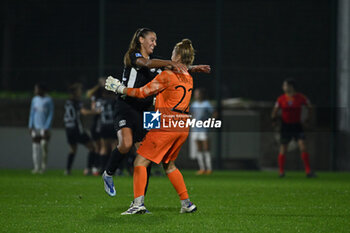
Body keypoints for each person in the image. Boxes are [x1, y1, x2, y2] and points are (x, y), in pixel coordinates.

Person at [102, 28, 210, 197]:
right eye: (152, 39)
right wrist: (171, 62)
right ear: (141, 40)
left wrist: (194, 68)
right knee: (125, 144)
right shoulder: (133, 55)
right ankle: (108, 174)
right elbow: (147, 64)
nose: (155, 43)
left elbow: (174, 73)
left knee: (146, 156)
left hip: (145, 109)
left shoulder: (156, 64)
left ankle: (139, 201)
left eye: (155, 40)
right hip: (126, 106)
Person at [271, 79, 316, 178]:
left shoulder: (300, 97)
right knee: (283, 148)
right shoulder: (281, 98)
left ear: (291, 87)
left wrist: (308, 119)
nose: (284, 87)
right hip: (286, 126)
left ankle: (308, 171)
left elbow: (310, 107)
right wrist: (274, 120)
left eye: (285, 85)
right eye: (284, 86)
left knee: (303, 146)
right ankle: (281, 172)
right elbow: (275, 110)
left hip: (297, 126)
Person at [63, 83, 100, 175]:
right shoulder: (77, 102)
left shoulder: (67, 102)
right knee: (93, 147)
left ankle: (67, 170)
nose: (81, 92)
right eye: (79, 90)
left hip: (68, 128)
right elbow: (84, 112)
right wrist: (96, 112)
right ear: (75, 92)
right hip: (77, 129)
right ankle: (88, 169)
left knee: (73, 149)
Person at [28, 83, 54, 174]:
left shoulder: (48, 100)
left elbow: (50, 114)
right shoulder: (34, 100)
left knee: (44, 146)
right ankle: (36, 167)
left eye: (37, 89)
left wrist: (47, 127)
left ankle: (43, 168)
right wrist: (30, 125)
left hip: (44, 128)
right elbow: (32, 113)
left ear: (42, 90)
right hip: (35, 127)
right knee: (35, 147)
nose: (35, 91)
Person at [190, 88, 214, 175]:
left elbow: (214, 113)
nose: (196, 95)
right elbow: (192, 114)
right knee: (199, 149)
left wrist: (210, 122)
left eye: (198, 94)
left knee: (206, 148)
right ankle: (202, 168)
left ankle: (209, 168)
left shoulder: (206, 104)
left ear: (202, 94)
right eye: (195, 94)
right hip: (195, 129)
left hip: (204, 128)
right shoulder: (194, 104)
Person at [87, 78, 106, 175]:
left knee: (101, 146)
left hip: (103, 124)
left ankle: (96, 167)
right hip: (96, 124)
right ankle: (92, 167)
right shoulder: (95, 96)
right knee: (97, 147)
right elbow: (93, 108)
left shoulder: (106, 96)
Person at [98, 89, 118, 173]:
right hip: (112, 125)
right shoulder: (114, 101)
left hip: (103, 125)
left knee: (104, 148)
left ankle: (103, 168)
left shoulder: (101, 102)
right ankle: (113, 168)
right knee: (114, 146)